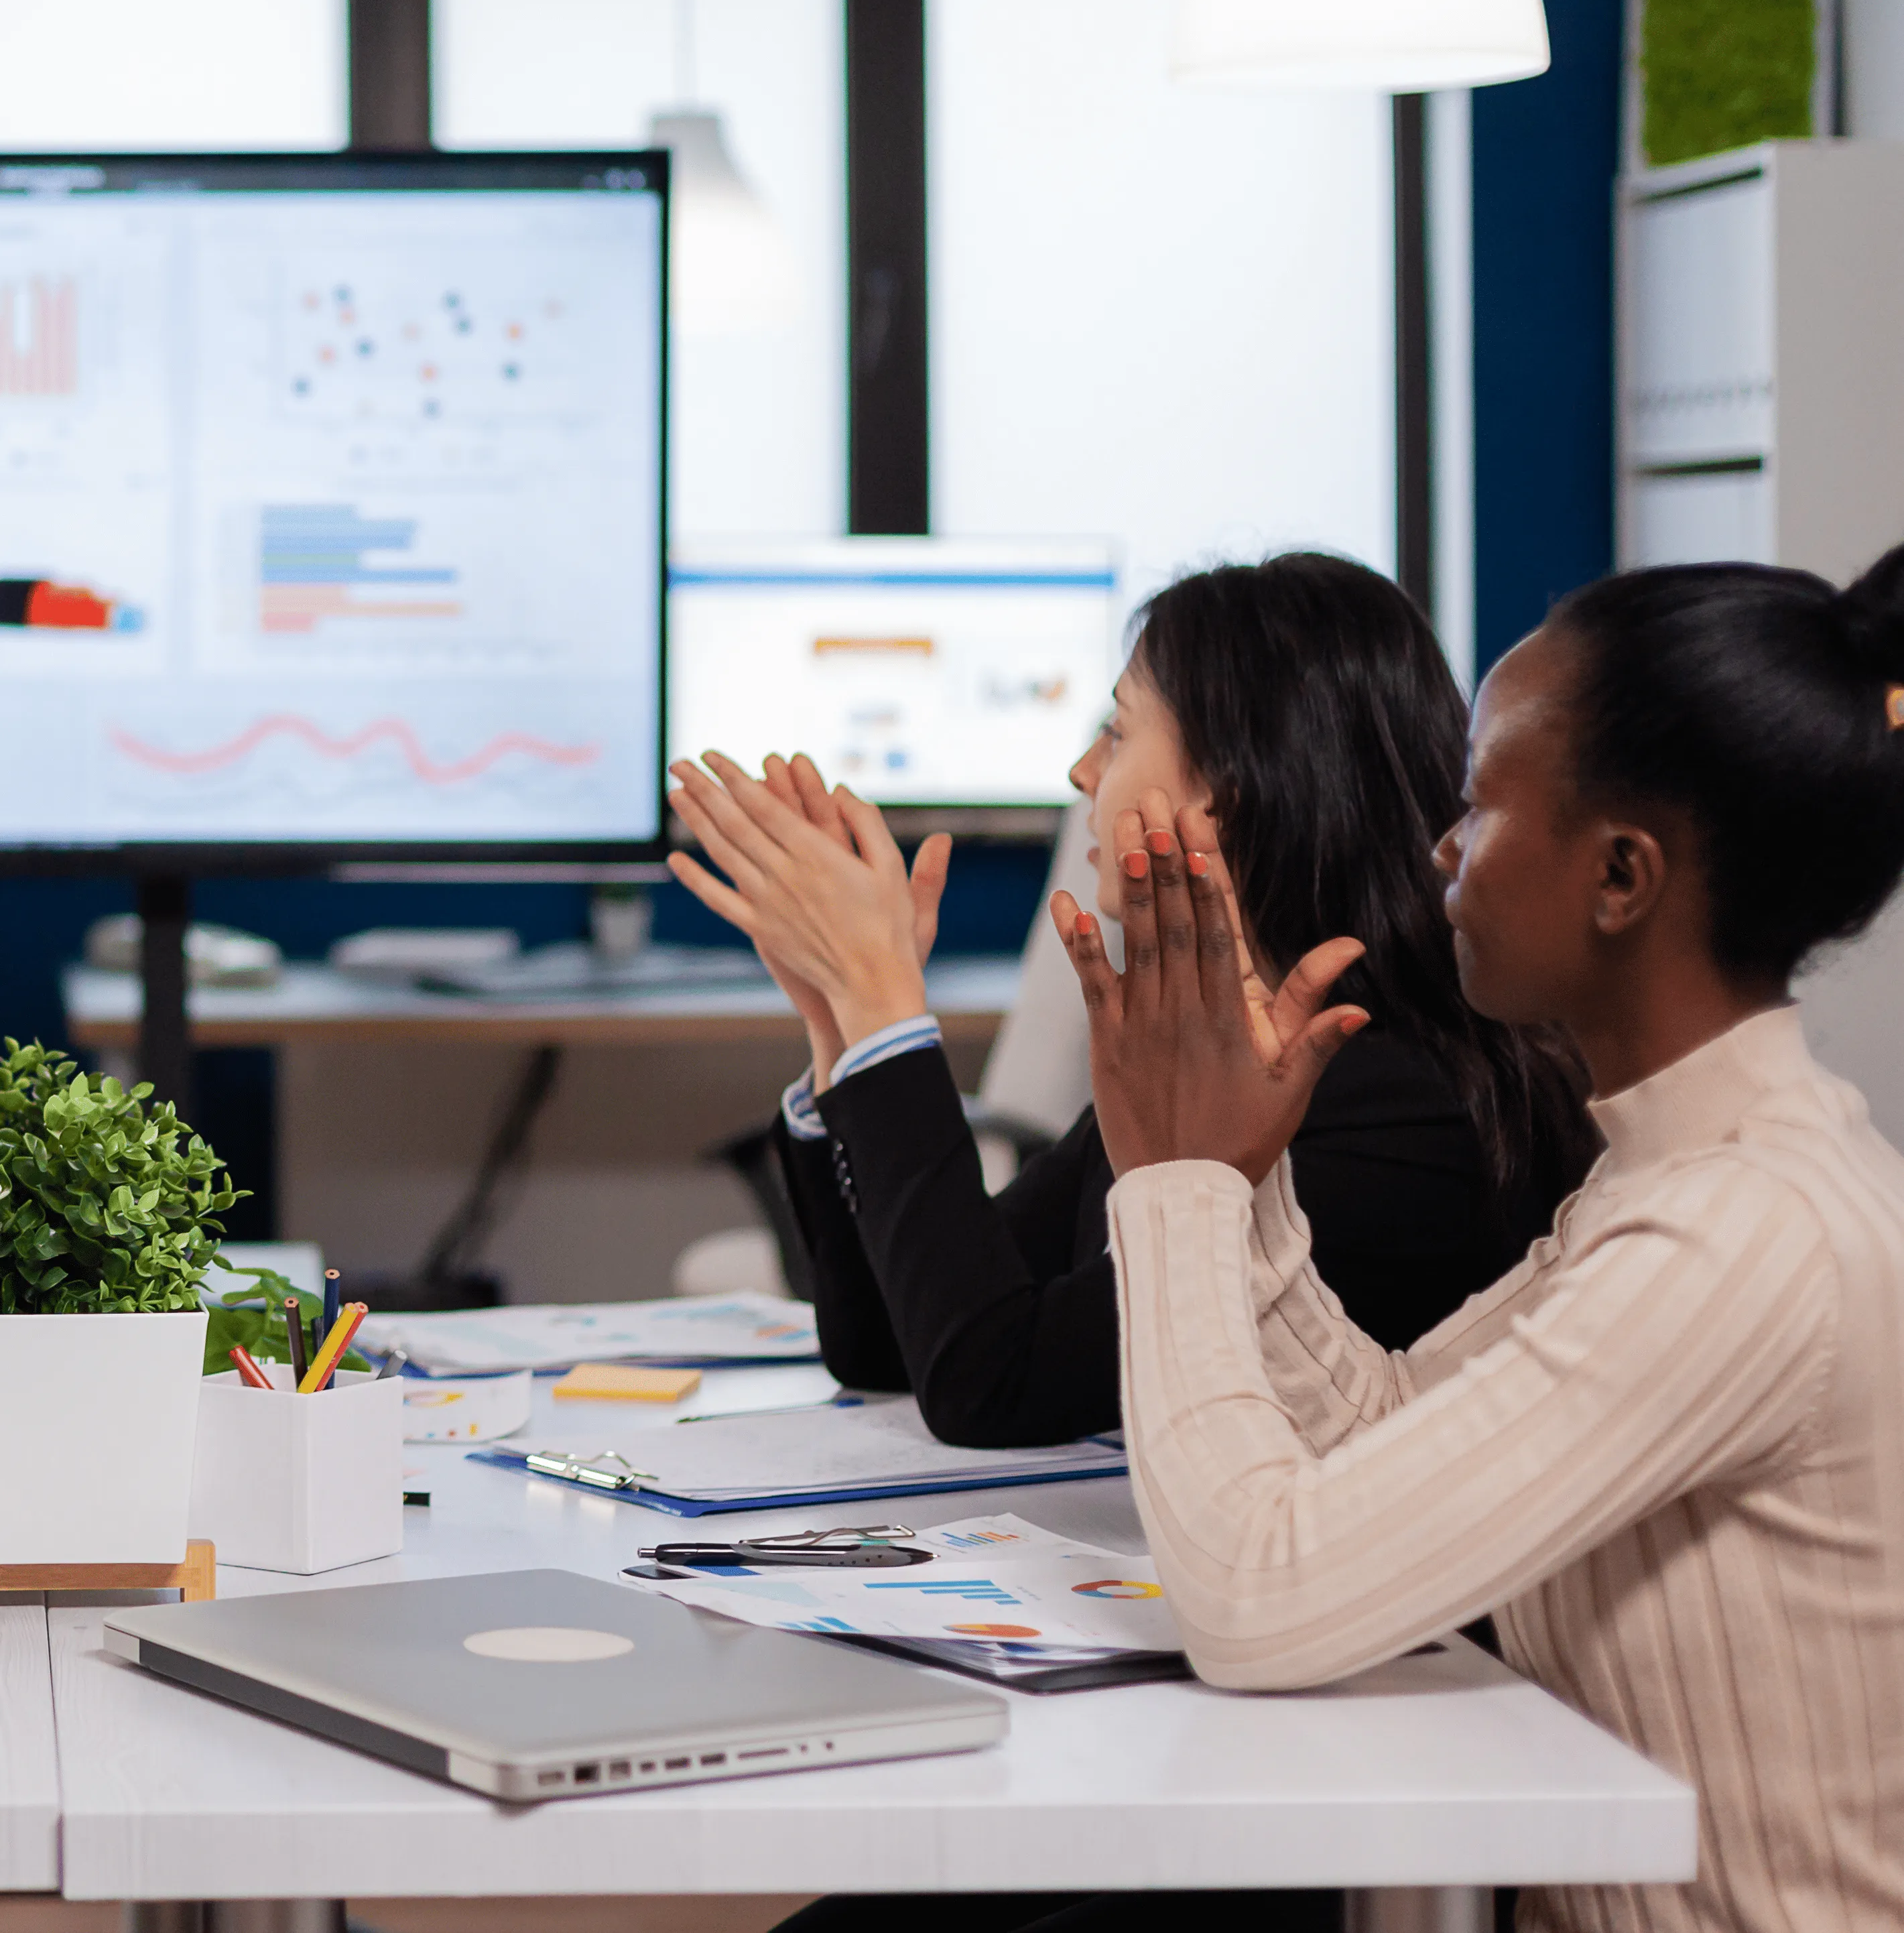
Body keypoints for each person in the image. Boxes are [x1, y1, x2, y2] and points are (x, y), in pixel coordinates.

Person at [1073, 545, 1904, 1933]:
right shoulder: (1678, 1181)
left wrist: (1171, 1186)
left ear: (1621, 874)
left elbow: (1253, 1602)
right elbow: (1384, 1428)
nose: (1440, 849)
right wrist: (1246, 1179)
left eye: (1476, 804)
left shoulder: (1737, 1238)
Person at [670, 554, 1594, 1446]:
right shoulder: (1207, 1046)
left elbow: (990, 1380)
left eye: (1115, 732)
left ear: (1225, 794)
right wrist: (841, 1019)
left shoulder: (1395, 1098)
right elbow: (889, 1344)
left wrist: (887, 1012)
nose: (1082, 773)